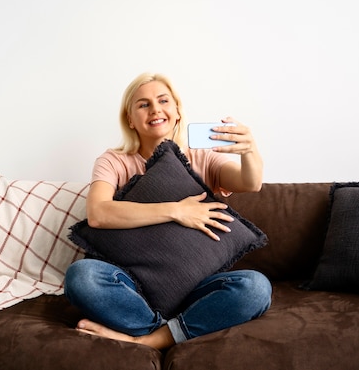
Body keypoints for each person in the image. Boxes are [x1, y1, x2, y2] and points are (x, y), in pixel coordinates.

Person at [64, 72, 271, 349]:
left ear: (176, 111)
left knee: (255, 288)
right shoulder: (114, 161)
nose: (155, 109)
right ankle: (169, 331)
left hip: (194, 288)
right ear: (130, 119)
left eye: (163, 101)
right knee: (82, 276)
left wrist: (250, 150)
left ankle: (149, 340)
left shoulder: (201, 157)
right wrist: (176, 211)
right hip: (132, 289)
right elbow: (99, 214)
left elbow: (250, 182)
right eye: (143, 104)